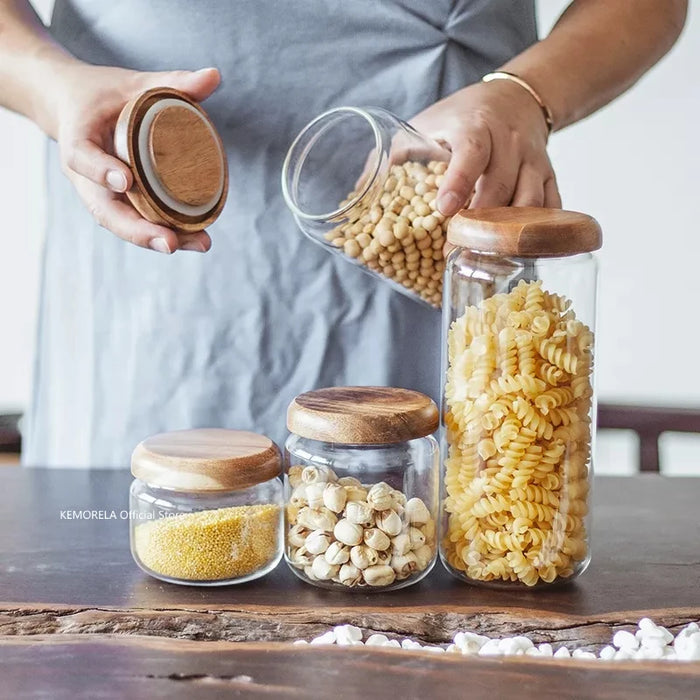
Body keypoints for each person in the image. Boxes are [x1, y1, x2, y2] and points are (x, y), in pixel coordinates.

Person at [0, 0, 687, 467]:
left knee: (448, 571)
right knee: (143, 587)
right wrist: (50, 84)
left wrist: (525, 93)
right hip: (153, 256)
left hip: (443, 201)